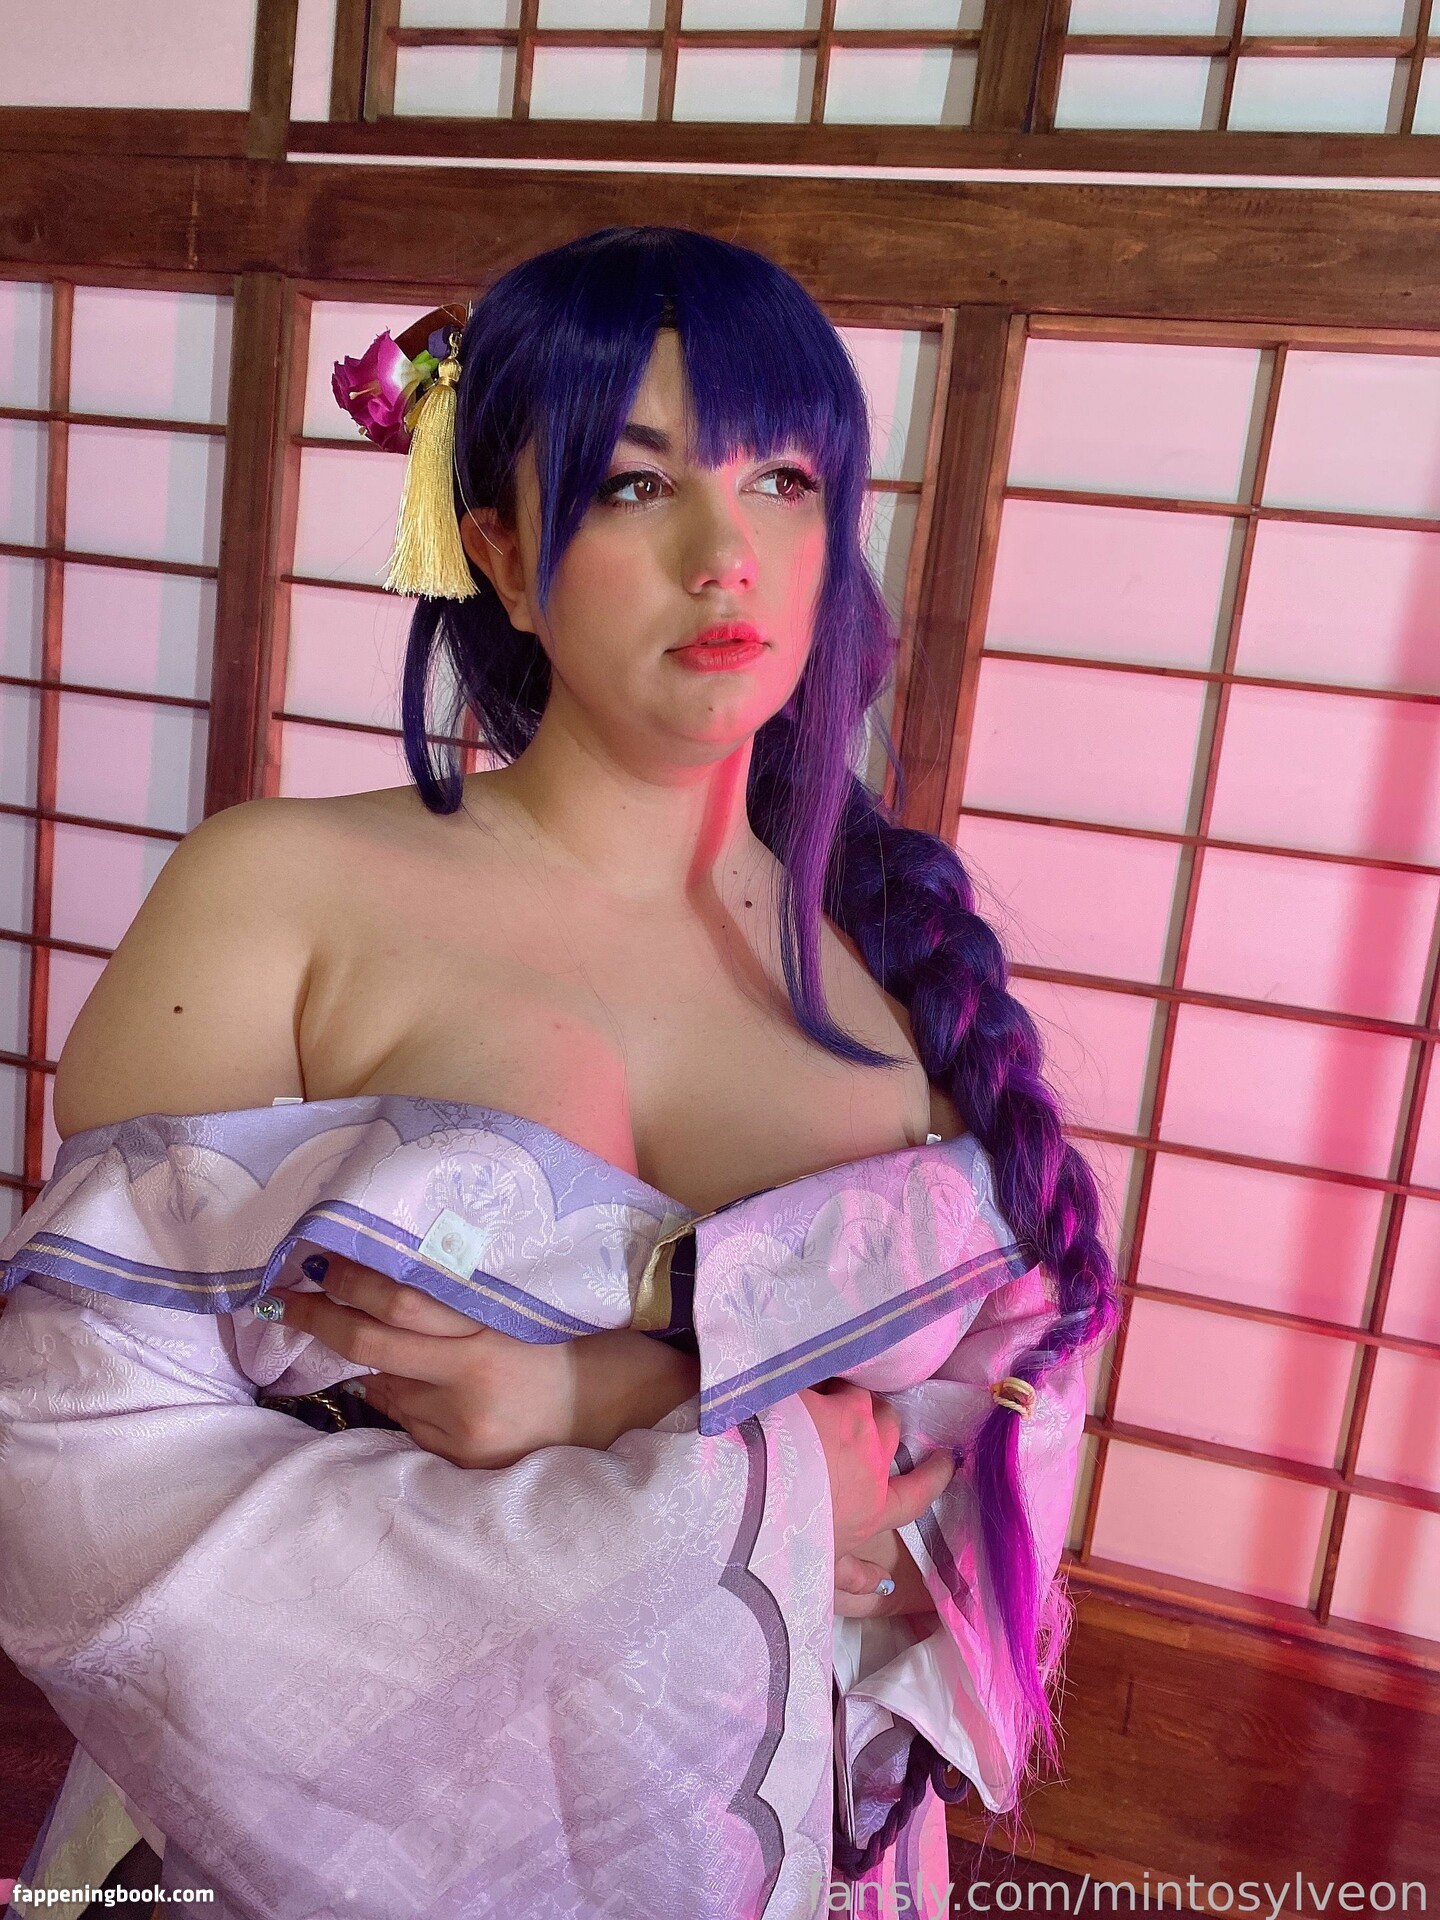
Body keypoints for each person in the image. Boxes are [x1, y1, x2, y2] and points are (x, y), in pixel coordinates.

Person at [0, 226, 1118, 1919]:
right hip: (320, 1848)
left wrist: (606, 1408)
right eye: (633, 486)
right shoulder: (277, 896)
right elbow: (74, 1465)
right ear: (502, 555)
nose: (724, 557)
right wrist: (736, 1485)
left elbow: (961, 1507)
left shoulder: (900, 969)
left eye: (784, 481)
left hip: (780, 1850)